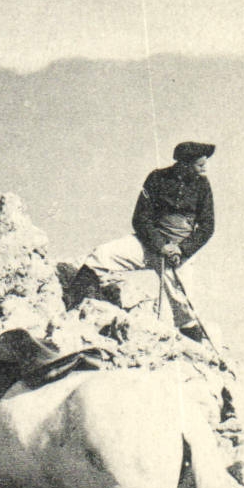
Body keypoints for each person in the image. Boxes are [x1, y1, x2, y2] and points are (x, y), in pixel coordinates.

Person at [70, 141, 216, 340]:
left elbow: (207, 227)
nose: (205, 168)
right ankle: (77, 304)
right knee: (101, 255)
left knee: (184, 307)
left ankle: (196, 346)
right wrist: (161, 245)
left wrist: (181, 250)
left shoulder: (202, 186)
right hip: (148, 245)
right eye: (200, 165)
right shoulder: (157, 178)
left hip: (178, 257)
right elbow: (140, 218)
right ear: (184, 164)